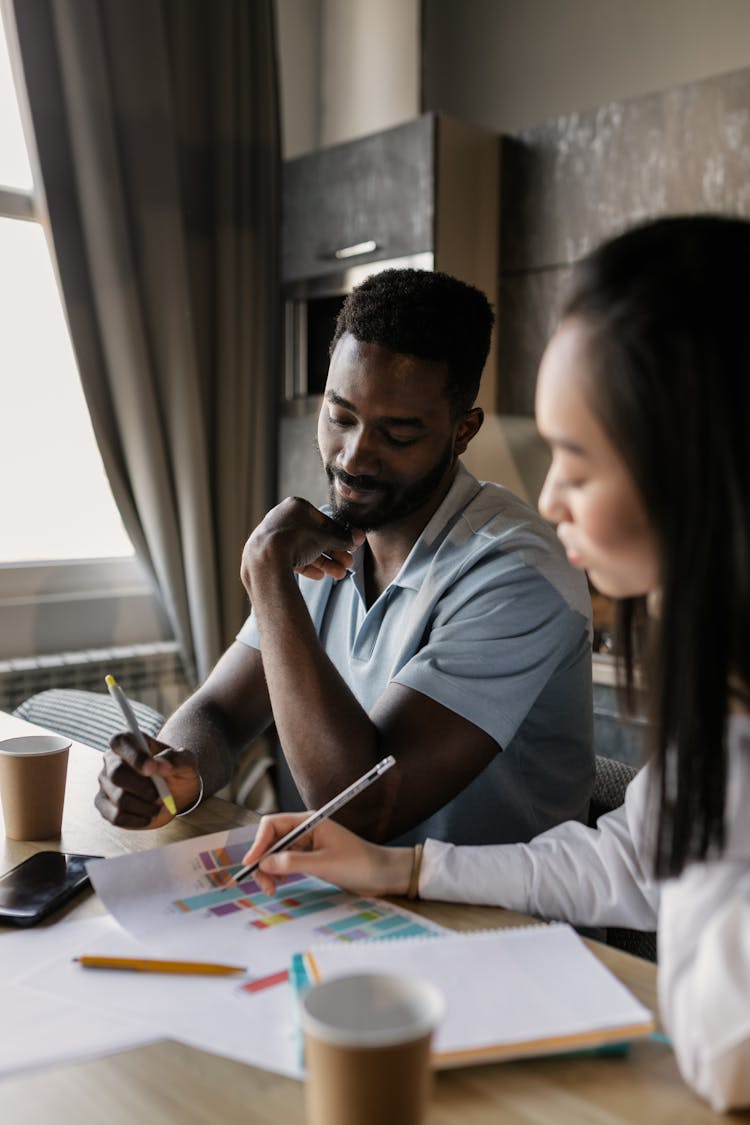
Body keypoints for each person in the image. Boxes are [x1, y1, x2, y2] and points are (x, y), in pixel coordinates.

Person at [239, 216, 750, 1113]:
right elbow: (633, 860)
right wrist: (398, 871)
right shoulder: (725, 692)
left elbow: (727, 1048)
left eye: (580, 464)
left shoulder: (512, 567)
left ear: (701, 468)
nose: (550, 498)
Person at [95, 267, 593, 847]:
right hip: (348, 902)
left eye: (398, 434)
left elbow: (360, 806)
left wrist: (267, 571)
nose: (354, 458)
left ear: (463, 431)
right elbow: (219, 716)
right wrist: (176, 773)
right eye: (340, 416)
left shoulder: (515, 573)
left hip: (497, 925)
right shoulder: (324, 539)